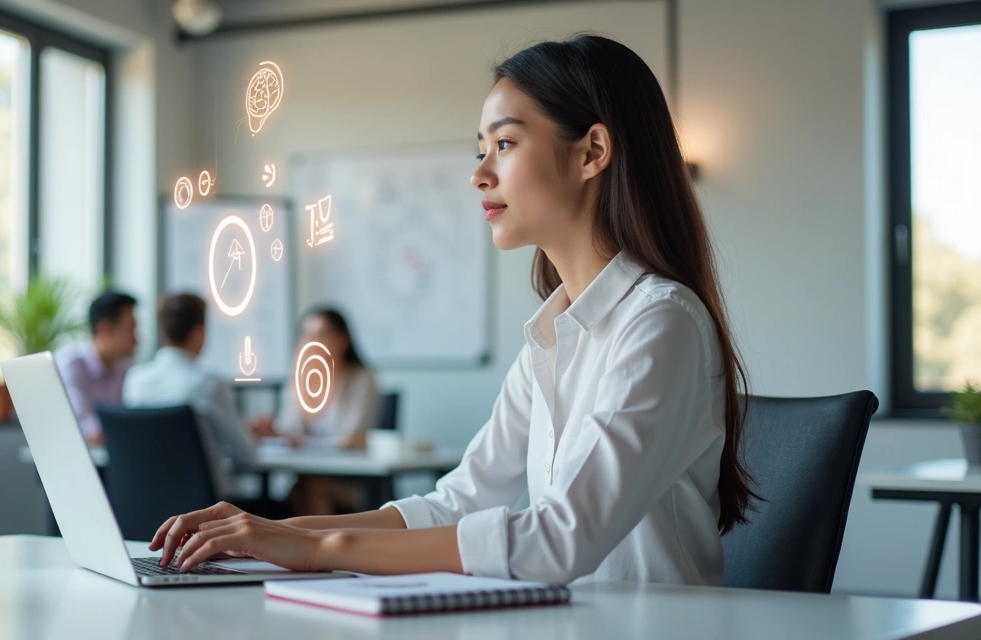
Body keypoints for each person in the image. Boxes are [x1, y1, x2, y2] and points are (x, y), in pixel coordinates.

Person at [148, 35, 755, 587]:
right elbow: (457, 503)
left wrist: (318, 549)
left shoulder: (662, 322)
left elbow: (560, 539)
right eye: (481, 149)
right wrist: (266, 532)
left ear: (592, 151)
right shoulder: (551, 338)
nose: (479, 175)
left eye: (505, 144)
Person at [123, 293, 257, 499]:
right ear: (198, 332)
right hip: (210, 510)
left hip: (147, 504)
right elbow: (247, 456)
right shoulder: (209, 386)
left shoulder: (135, 380)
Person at [248, 308, 380, 515]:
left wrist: (302, 442)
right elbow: (290, 430)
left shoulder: (362, 379)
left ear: (343, 340)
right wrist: (274, 432)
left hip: (353, 483)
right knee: (300, 490)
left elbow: (351, 439)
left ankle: (322, 538)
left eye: (322, 333)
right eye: (307, 335)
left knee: (308, 489)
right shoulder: (300, 380)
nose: (314, 342)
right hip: (307, 477)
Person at [54, 290, 138, 446]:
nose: (137, 340)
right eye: (131, 330)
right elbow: (86, 429)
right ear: (104, 330)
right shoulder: (70, 366)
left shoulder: (123, 369)